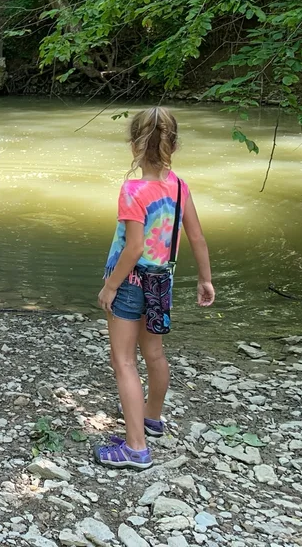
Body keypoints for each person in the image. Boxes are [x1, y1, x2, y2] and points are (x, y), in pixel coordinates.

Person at [95, 107, 215, 469]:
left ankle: (135, 448)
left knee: (124, 361)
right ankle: (151, 418)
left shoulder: (133, 191)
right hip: (163, 281)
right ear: (173, 146)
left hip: (130, 284)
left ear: (134, 145)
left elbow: (133, 248)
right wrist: (205, 279)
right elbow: (196, 235)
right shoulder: (178, 185)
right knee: (155, 355)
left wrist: (110, 287)